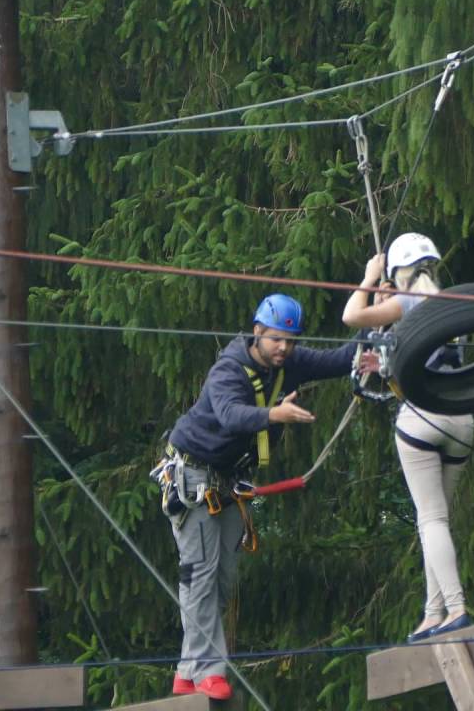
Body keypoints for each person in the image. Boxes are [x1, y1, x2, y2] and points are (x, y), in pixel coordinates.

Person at [160, 293, 360, 699]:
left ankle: (187, 670)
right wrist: (275, 415)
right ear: (256, 333)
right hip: (194, 477)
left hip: (229, 482)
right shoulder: (229, 369)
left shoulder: (290, 364)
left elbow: (340, 359)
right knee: (199, 573)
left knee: (222, 577)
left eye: (290, 340)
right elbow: (231, 415)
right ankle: (208, 672)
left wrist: (378, 316)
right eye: (275, 339)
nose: (284, 347)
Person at [341, 233, 474, 642]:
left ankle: (455, 607)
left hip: (421, 420)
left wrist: (369, 280)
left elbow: (351, 316)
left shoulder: (406, 303)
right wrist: (384, 364)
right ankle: (433, 613)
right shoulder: (448, 304)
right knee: (437, 520)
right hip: (462, 421)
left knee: (431, 520)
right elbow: (423, 361)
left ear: (399, 271)